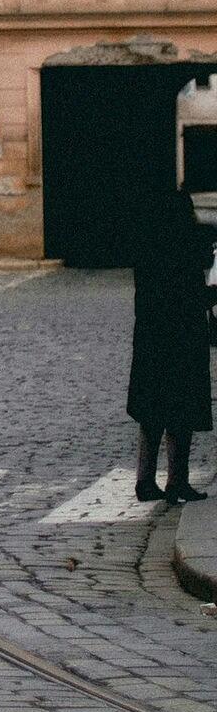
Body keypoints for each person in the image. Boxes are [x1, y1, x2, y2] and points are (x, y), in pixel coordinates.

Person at [128, 181, 214, 502]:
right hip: (183, 340)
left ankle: (145, 480)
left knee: (152, 415)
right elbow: (192, 297)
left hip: (151, 340)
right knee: (182, 415)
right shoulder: (186, 246)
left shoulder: (147, 248)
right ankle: (177, 480)